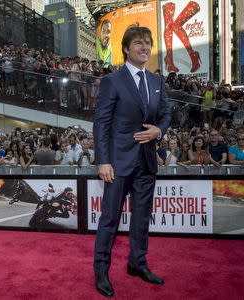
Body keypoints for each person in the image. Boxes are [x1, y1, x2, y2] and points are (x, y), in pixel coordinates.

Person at [93, 26, 171, 297]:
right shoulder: (112, 81)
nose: (145, 48)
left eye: (148, 43)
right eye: (139, 43)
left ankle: (137, 263)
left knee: (141, 218)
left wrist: (158, 131)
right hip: (117, 162)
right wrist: (103, 161)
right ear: (126, 48)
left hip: (147, 161)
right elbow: (101, 123)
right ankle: (101, 271)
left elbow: (166, 115)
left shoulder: (157, 82)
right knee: (109, 219)